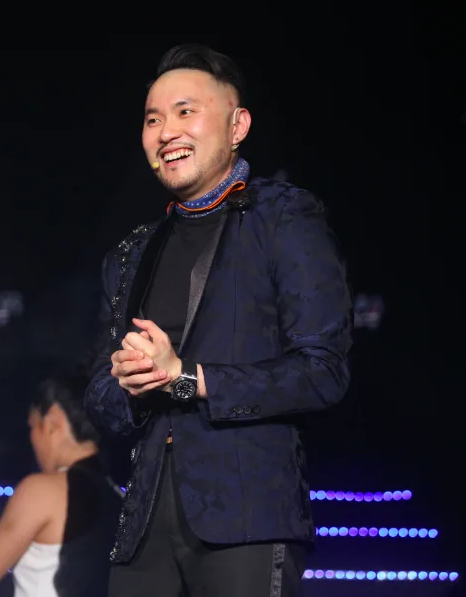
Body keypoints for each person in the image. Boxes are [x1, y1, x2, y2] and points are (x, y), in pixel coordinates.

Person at [85, 44, 353, 596]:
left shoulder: (283, 217)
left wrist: (188, 378)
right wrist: (133, 385)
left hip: (247, 517)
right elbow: (98, 392)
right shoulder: (131, 253)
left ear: (238, 126)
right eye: (153, 119)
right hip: (142, 527)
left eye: (185, 112)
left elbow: (323, 371)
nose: (167, 132)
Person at [0, 374, 123, 597]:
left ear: (53, 422)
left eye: (32, 426)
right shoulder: (119, 497)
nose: (32, 439)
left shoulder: (43, 491)